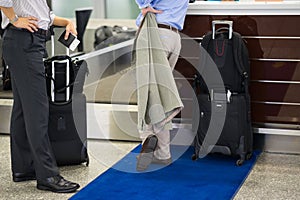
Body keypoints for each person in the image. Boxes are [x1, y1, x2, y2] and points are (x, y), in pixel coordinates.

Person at [0, 0, 80, 193]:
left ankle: (24, 168)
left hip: (27, 41)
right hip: (24, 41)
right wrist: (15, 19)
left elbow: (42, 14)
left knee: (23, 108)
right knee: (37, 110)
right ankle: (47, 175)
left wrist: (66, 22)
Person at [134, 0, 189, 171]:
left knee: (147, 93)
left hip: (155, 34)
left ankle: (148, 138)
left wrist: (143, 5)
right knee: (160, 94)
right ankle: (163, 154)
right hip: (174, 38)